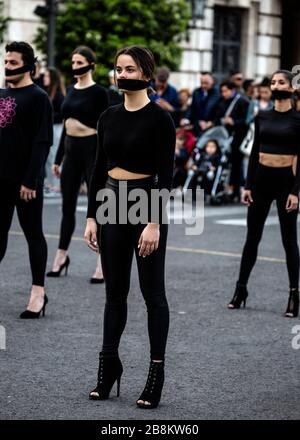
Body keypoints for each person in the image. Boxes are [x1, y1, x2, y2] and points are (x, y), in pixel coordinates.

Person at [84, 45, 176, 408]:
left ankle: (156, 374)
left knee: (153, 294)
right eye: (118, 69)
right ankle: (109, 366)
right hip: (110, 202)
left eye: (129, 69)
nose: (121, 74)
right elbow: (97, 167)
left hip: (145, 202)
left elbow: (166, 175)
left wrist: (154, 222)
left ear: (146, 74)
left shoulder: (160, 119)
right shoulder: (108, 115)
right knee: (114, 293)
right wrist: (91, 216)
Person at [228, 70, 300, 318]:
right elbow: (255, 150)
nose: (276, 85)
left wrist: (296, 192)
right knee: (252, 238)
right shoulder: (262, 116)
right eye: (273, 82)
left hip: (286, 183)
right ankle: (241, 289)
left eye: (281, 82)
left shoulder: (298, 119)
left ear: (292, 88)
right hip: (260, 182)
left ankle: (294, 294)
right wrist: (247, 186)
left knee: (289, 241)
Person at [0, 41, 53, 318]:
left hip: (26, 182)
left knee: (33, 235)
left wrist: (31, 179)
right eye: (5, 61)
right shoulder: (0, 94)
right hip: (0, 178)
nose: (7, 66)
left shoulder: (38, 97)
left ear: (28, 65)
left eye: (12, 62)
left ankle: (38, 292)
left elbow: (42, 140)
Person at [47, 46, 108, 283]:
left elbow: (104, 128)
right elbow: (66, 125)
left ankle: (102, 261)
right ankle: (61, 256)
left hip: (91, 151)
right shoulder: (70, 90)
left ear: (91, 65)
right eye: (73, 62)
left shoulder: (99, 93)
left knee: (97, 208)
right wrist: (58, 158)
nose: (75, 66)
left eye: (80, 61)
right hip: (71, 152)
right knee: (67, 208)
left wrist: (105, 158)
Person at [43, 67, 65, 194]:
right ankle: (51, 183)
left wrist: (48, 117)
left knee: (55, 156)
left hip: (57, 128)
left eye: (46, 76)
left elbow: (62, 113)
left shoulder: (58, 95)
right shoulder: (47, 93)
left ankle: (57, 184)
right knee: (48, 157)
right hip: (50, 127)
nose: (44, 78)